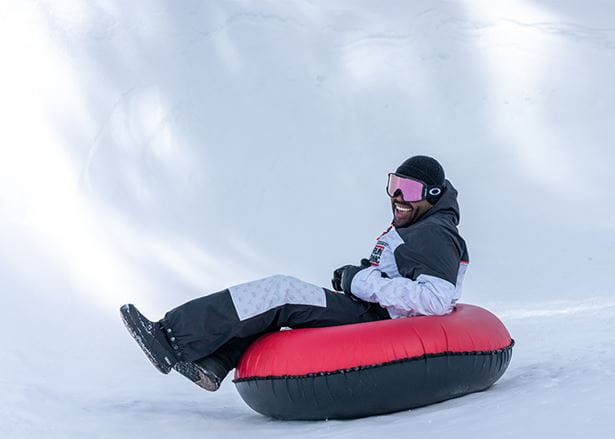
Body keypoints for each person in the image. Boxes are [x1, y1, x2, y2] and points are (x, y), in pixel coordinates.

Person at [120, 155, 469, 392]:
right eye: (394, 185)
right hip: (370, 309)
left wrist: (361, 281)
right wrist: (359, 274)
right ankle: (213, 363)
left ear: (433, 196)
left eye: (408, 191)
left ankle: (170, 339)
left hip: (377, 320)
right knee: (280, 303)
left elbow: (436, 299)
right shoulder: (422, 226)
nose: (396, 197)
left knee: (281, 292)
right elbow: (402, 276)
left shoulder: (432, 232)